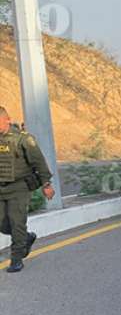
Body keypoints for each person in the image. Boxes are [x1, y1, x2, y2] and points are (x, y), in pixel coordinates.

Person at [0, 106, 56, 273]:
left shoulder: (24, 139)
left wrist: (47, 185)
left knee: (17, 223)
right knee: (2, 225)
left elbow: (39, 163)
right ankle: (26, 237)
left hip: (19, 187)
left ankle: (16, 259)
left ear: (7, 119)